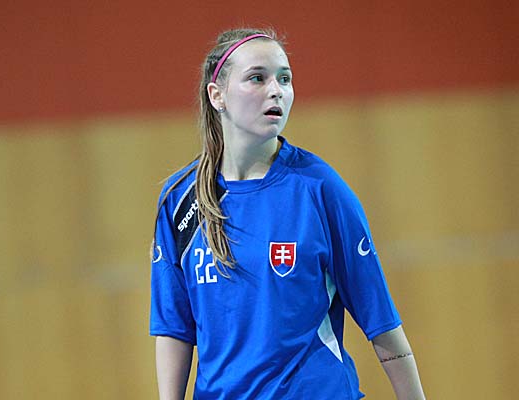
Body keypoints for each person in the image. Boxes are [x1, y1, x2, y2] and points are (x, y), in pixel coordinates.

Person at [150, 27, 426, 400]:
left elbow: (382, 324)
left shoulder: (320, 189)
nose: (276, 90)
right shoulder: (180, 200)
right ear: (217, 95)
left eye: (284, 78)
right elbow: (174, 329)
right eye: (257, 78)